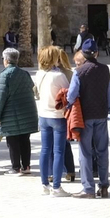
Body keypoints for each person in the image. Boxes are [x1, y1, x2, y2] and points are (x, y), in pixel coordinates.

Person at [67, 38, 110, 197]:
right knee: (102, 151)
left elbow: (71, 95)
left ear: (83, 54)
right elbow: (108, 92)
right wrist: (109, 108)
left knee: (85, 152)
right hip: (101, 114)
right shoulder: (105, 69)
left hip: (85, 116)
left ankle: (88, 188)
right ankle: (104, 186)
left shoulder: (79, 72)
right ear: (97, 53)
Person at [33, 45, 72, 195]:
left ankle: (44, 184)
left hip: (43, 115)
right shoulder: (58, 76)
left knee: (45, 150)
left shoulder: (39, 74)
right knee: (58, 151)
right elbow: (69, 93)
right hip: (57, 116)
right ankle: (56, 187)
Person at [0, 48, 37, 174]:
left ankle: (16, 167)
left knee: (12, 140)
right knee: (25, 139)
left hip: (11, 113)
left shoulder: (5, 75)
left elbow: (0, 97)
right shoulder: (25, 73)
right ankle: (26, 166)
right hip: (26, 111)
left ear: (6, 60)